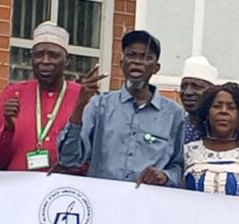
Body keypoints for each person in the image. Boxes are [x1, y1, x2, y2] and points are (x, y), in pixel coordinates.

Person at [57, 30, 186, 186]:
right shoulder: (99, 105)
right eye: (131, 55)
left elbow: (178, 168)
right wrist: (80, 105)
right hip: (103, 196)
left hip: (148, 199)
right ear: (122, 63)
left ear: (156, 68)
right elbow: (68, 159)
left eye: (146, 57)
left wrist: (165, 176)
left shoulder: (174, 114)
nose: (138, 62)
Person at [0, 22, 80, 172]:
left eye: (53, 55)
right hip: (19, 184)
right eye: (38, 55)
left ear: (67, 60)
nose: (45, 61)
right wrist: (8, 128)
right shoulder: (13, 93)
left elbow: (92, 155)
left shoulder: (82, 97)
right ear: (31, 58)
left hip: (64, 185)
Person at [180, 56, 218, 143]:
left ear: (212, 91)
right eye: (183, 86)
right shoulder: (175, 124)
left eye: (196, 86)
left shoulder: (221, 128)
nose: (187, 92)